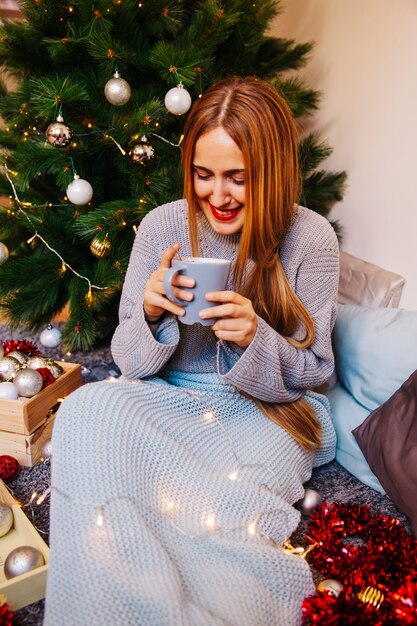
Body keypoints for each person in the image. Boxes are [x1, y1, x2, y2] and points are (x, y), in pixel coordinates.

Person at [45, 76, 339, 626]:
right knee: (87, 410)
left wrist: (258, 337)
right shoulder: (164, 226)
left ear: (271, 174)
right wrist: (151, 314)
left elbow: (317, 372)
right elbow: (127, 364)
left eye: (238, 178)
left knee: (218, 511)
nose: (218, 196)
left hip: (271, 411)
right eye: (203, 175)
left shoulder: (311, 238)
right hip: (172, 398)